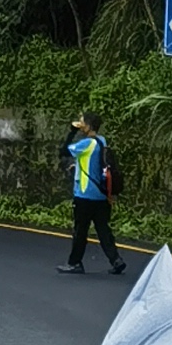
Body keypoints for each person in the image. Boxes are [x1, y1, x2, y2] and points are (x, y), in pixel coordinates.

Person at [64, 116, 125, 275]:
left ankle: (75, 263)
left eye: (82, 121)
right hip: (102, 195)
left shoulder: (85, 144)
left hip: (84, 194)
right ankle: (116, 259)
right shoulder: (102, 141)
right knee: (103, 229)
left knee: (80, 231)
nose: (80, 123)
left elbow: (65, 150)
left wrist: (73, 131)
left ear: (89, 126)